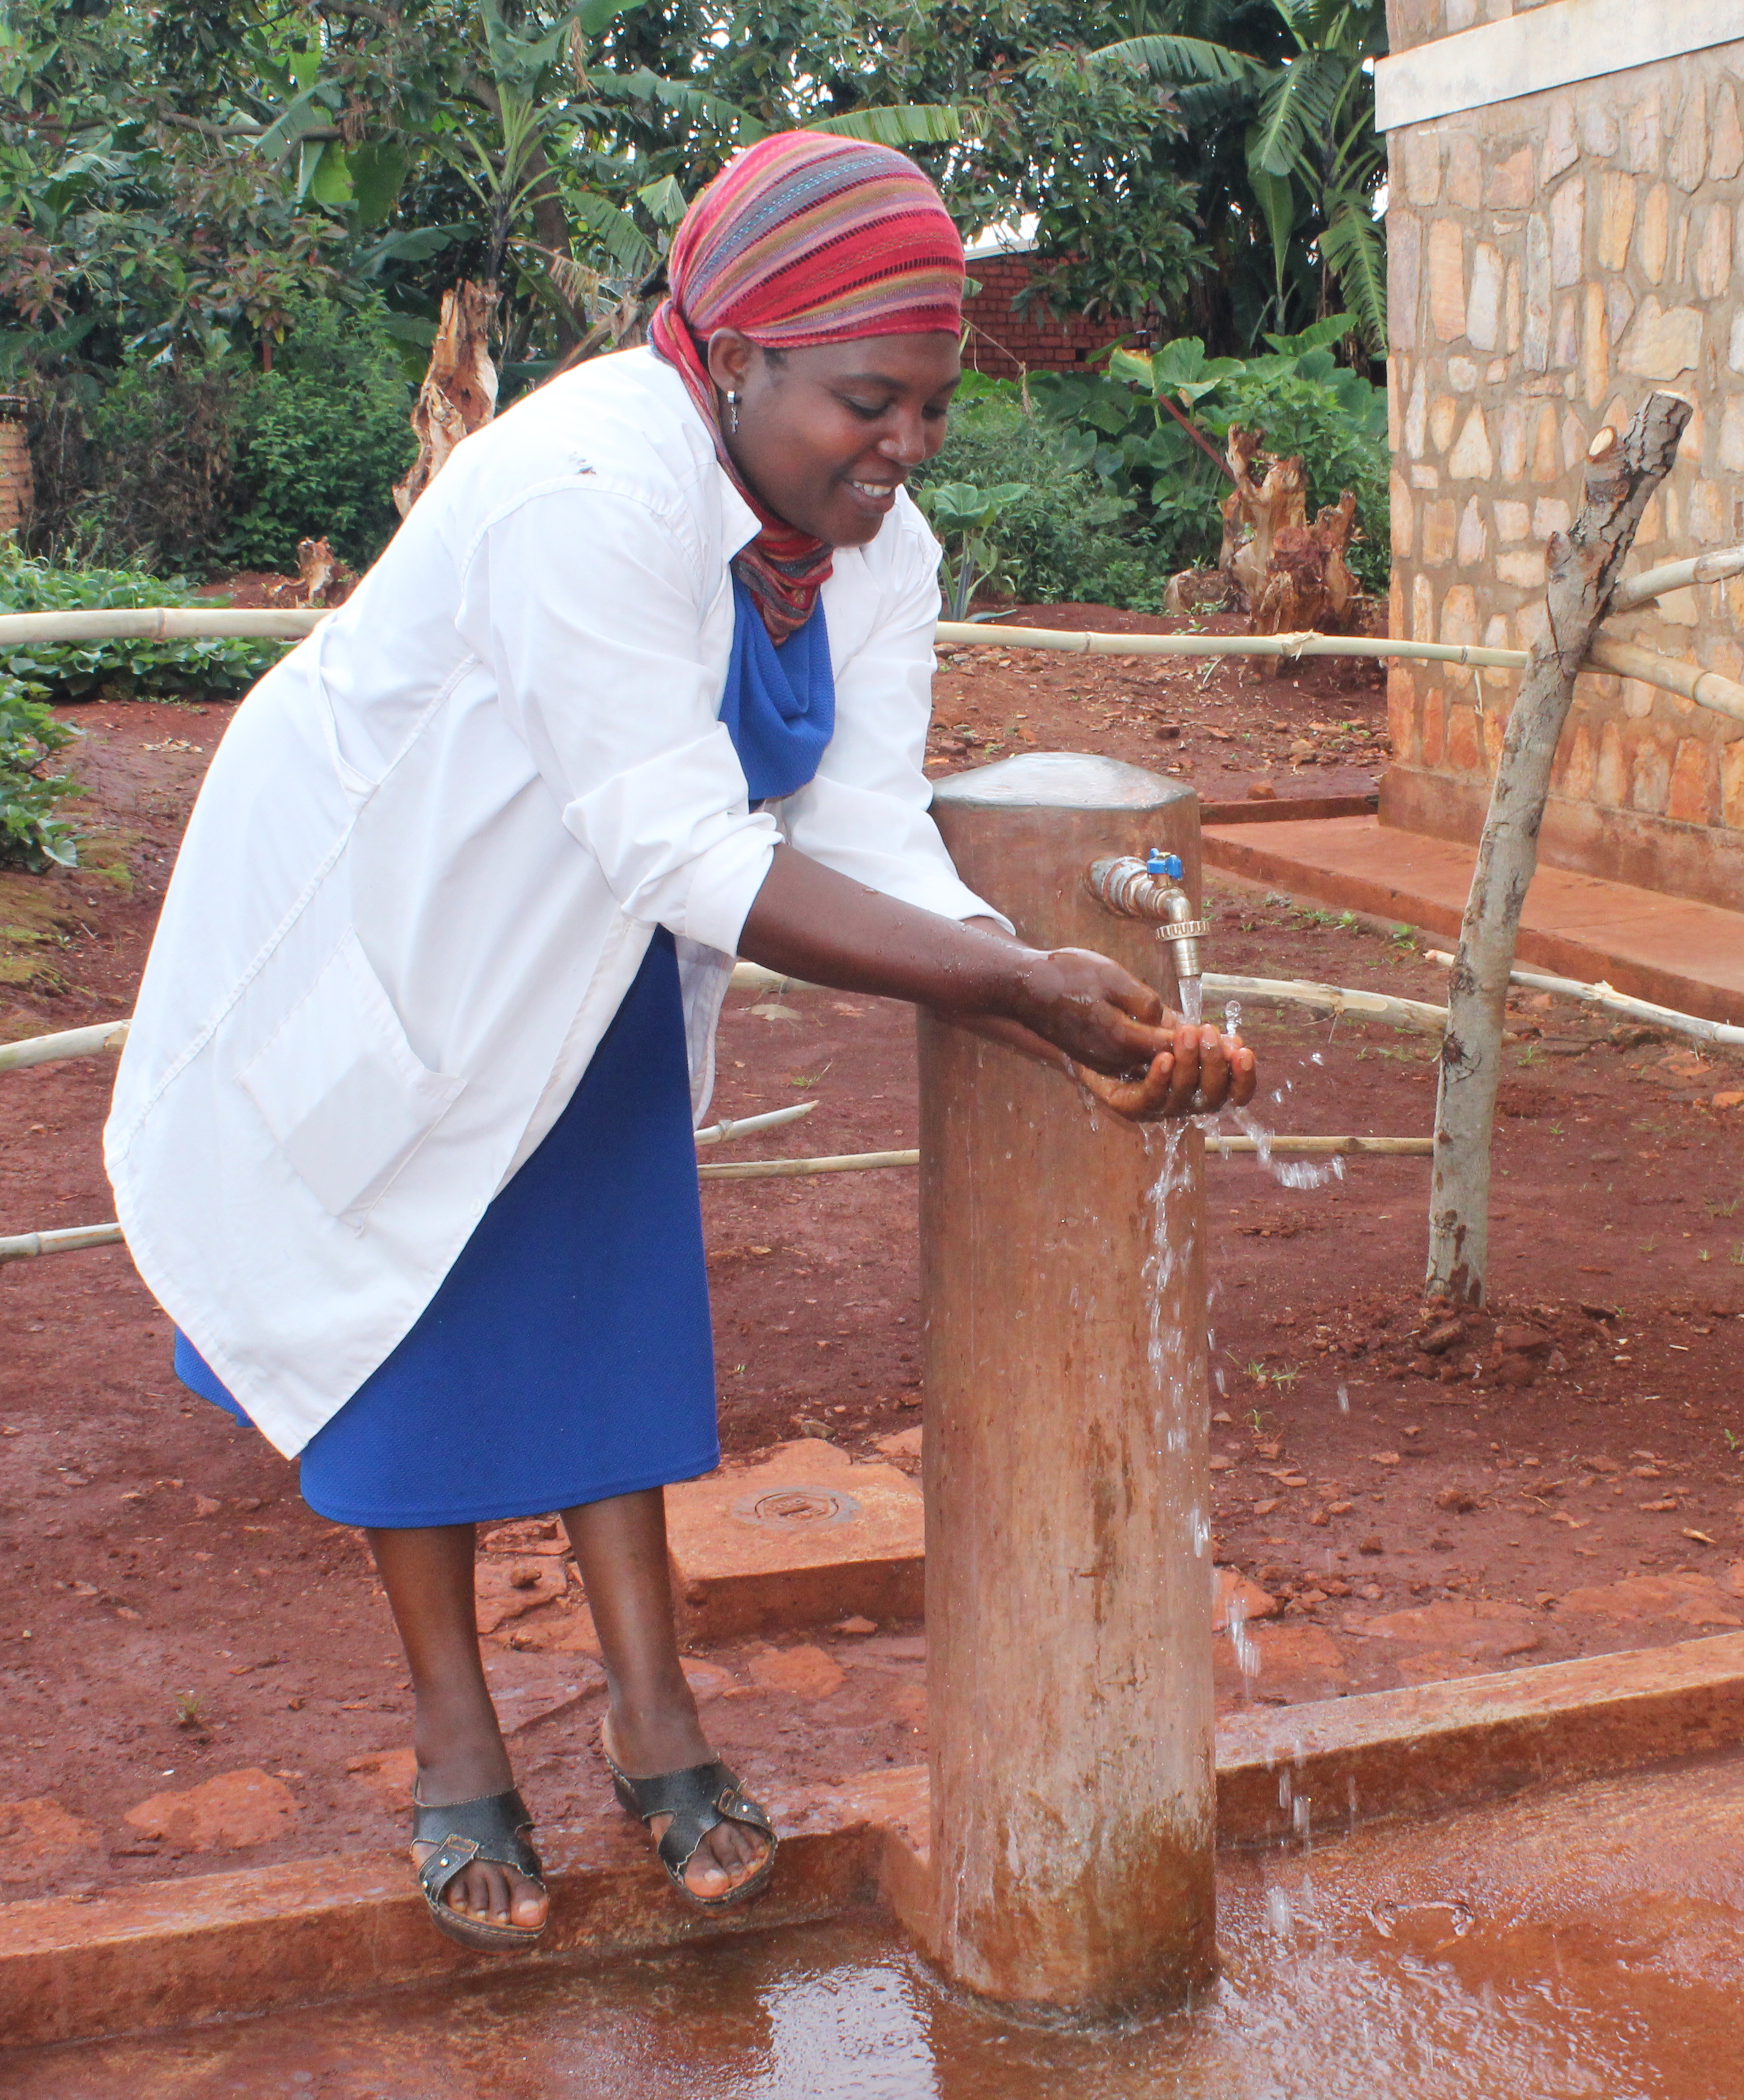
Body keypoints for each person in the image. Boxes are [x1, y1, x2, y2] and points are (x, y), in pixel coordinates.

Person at [102, 130, 1253, 1952]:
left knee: (600, 1317)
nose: (904, 447)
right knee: (412, 1333)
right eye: (868, 402)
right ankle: (453, 1732)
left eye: (935, 410)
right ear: (731, 361)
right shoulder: (583, 487)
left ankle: (654, 1721)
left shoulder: (874, 548)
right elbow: (684, 842)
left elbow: (860, 824)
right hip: (404, 926)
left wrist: (1030, 975)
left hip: (613, 954)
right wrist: (1014, 989)